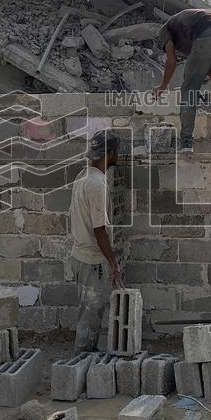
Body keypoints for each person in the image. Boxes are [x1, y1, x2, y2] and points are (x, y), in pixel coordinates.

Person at [153, 8, 211, 152]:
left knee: (189, 91)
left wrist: (163, 85)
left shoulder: (166, 31)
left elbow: (171, 61)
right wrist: (208, 75)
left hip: (208, 33)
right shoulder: (188, 25)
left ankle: (186, 143)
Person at [68, 130, 122, 351]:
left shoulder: (82, 176)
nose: (119, 155)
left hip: (79, 255)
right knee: (90, 317)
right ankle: (80, 364)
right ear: (110, 153)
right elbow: (100, 230)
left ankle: (84, 360)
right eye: (117, 152)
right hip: (91, 261)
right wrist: (113, 263)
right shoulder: (98, 184)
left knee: (88, 313)